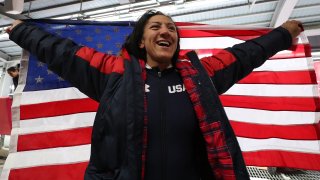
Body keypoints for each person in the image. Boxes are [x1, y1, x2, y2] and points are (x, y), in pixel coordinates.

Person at [7, 10, 302, 180]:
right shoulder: (114, 72)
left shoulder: (202, 75)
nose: (167, 31)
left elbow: (246, 54)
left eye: (172, 28)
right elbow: (64, 53)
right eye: (156, 26)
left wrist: (283, 34)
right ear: (141, 40)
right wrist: (22, 31)